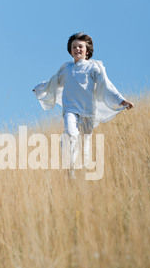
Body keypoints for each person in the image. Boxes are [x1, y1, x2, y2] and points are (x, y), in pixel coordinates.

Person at [33, 32, 134, 178]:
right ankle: (70, 170)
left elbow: (107, 86)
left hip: (88, 112)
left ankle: (78, 169)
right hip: (70, 110)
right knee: (70, 133)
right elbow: (54, 82)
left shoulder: (94, 68)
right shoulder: (67, 69)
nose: (77, 49)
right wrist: (40, 88)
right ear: (70, 50)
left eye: (80, 46)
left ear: (87, 51)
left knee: (84, 143)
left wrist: (121, 100)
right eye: (74, 47)